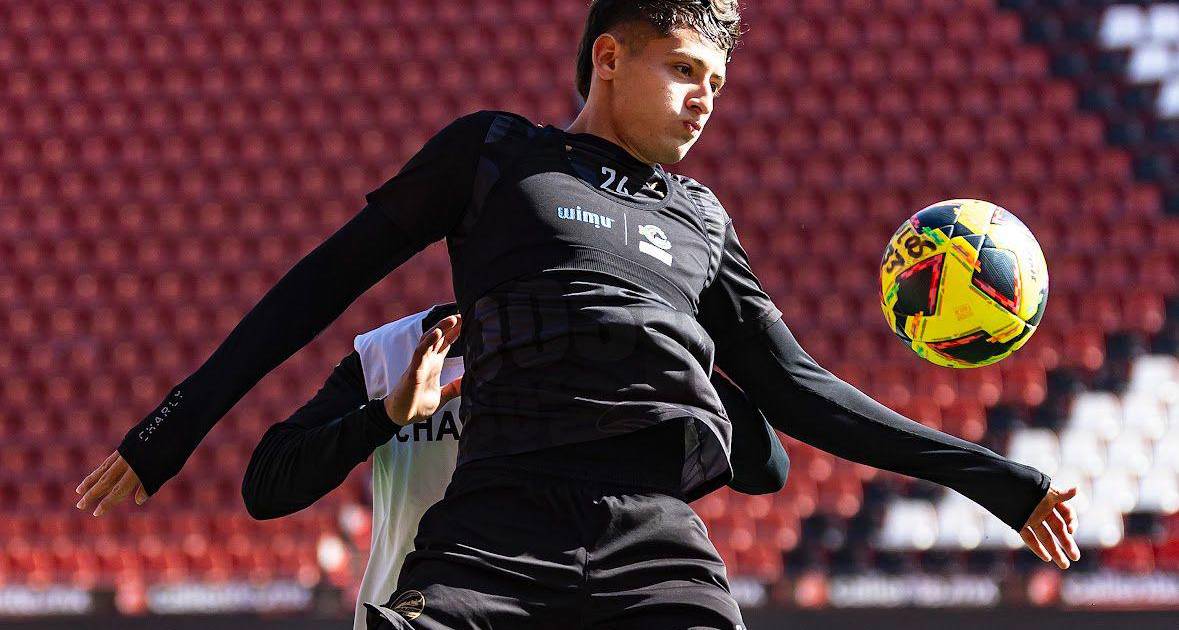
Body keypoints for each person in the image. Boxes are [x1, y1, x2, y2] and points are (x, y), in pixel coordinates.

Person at [77, 1, 1080, 627]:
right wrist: (170, 433)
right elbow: (315, 287)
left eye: (717, 83)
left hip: (656, 545)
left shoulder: (701, 220)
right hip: (493, 532)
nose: (704, 100)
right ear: (608, 57)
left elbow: (801, 393)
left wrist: (997, 480)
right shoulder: (494, 156)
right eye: (682, 69)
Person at [239, 302, 789, 630]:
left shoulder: (611, 340)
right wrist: (386, 415)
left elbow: (766, 465)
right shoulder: (397, 350)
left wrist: (670, 338)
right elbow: (266, 487)